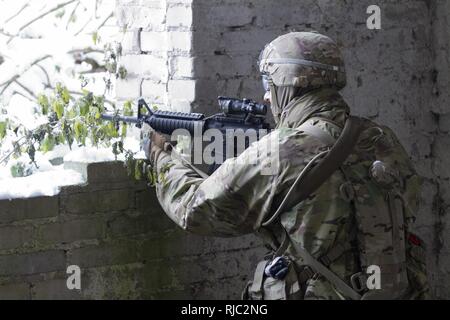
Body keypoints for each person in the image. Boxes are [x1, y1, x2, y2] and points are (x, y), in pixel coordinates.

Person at [142, 31, 429, 300]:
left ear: (289, 85)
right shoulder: (380, 137)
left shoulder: (282, 150)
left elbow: (196, 210)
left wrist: (161, 155)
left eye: (269, 85)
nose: (266, 96)